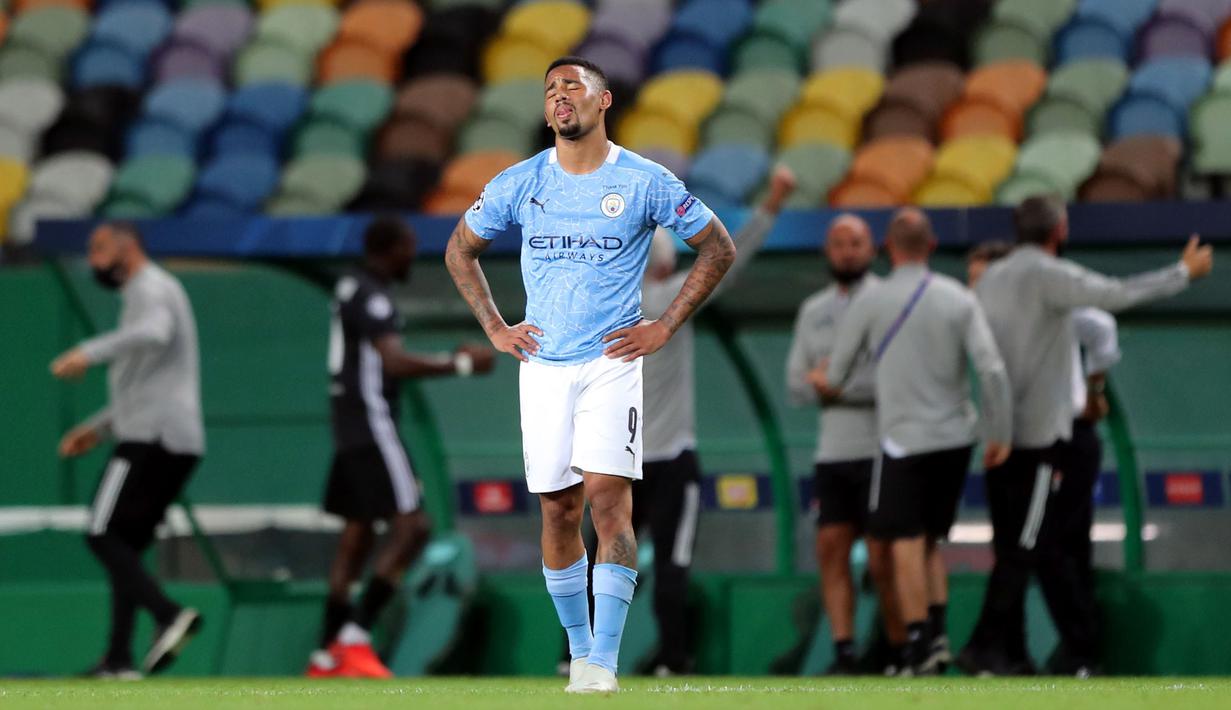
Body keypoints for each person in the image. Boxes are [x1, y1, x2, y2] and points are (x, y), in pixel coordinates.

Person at [444, 56, 736, 693]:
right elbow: (459, 248)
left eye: (571, 85)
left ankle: (604, 659)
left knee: (609, 500)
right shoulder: (520, 182)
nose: (558, 96)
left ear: (605, 100)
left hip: (610, 362)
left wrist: (666, 324)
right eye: (549, 89)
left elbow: (718, 246)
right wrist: (496, 326)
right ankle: (579, 652)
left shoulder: (644, 180)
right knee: (557, 511)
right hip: (543, 366)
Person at [959, 194, 1214, 676]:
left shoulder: (988, 282)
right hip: (1039, 439)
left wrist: (991, 427)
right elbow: (1113, 297)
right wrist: (1181, 274)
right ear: (1061, 230)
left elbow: (987, 366)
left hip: (1000, 437)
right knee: (1030, 545)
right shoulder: (1047, 276)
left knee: (1018, 546)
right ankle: (992, 647)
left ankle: (1003, 652)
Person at [816, 208, 1013, 675]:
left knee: (903, 540)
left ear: (887, 247)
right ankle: (939, 636)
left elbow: (838, 373)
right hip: (956, 439)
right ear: (932, 247)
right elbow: (992, 369)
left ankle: (919, 644)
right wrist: (999, 432)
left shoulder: (872, 301)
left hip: (902, 440)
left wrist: (827, 378)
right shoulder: (958, 298)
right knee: (929, 541)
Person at [307, 216, 495, 678]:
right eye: (408, 246)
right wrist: (460, 365)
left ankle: (325, 653)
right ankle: (354, 637)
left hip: (348, 426)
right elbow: (392, 362)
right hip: (372, 423)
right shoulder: (371, 295)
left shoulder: (351, 287)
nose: (413, 255)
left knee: (357, 537)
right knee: (414, 527)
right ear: (388, 249)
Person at [634, 164, 797, 676]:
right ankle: (675, 661)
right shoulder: (669, 302)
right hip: (672, 462)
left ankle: (572, 659)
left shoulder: (603, 309)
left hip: (619, 462)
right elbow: (729, 256)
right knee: (671, 569)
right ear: (663, 265)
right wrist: (770, 205)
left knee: (601, 566)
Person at [50, 222, 205, 679]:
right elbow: (146, 382)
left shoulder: (150, 287)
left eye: (98, 249)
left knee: (101, 532)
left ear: (128, 247)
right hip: (173, 438)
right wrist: (98, 428)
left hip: (150, 439)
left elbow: (154, 333)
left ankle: (168, 615)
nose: (93, 259)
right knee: (126, 547)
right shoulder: (148, 292)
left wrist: (88, 351)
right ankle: (118, 659)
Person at [966, 240, 1120, 676]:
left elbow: (1102, 325)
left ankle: (1080, 651)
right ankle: (1010, 654)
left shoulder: (1048, 307)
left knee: (1051, 545)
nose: (976, 289)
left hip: (1062, 438)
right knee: (1013, 548)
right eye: (972, 280)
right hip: (1010, 440)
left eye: (982, 280)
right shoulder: (976, 321)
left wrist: (1094, 388)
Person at [785, 213, 898, 675]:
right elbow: (795, 385)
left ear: (873, 249)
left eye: (856, 242)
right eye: (838, 243)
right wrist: (829, 382)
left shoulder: (890, 302)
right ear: (827, 252)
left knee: (881, 555)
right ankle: (845, 652)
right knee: (831, 547)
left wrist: (833, 383)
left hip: (880, 450)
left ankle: (896, 649)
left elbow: (892, 380)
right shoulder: (814, 310)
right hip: (832, 454)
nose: (847, 251)